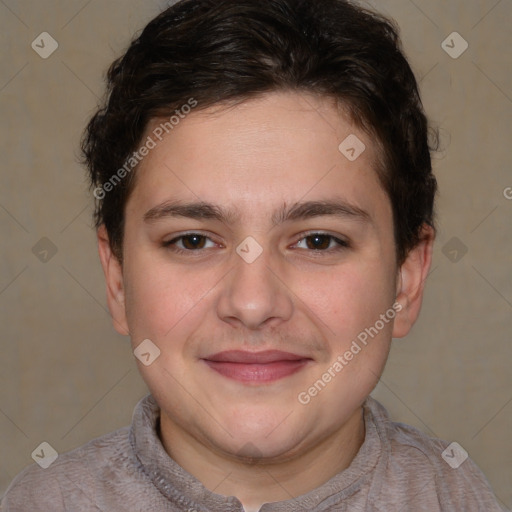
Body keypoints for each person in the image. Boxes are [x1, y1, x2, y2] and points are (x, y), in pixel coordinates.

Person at [1, 0, 505, 510]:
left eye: (318, 241)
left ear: (407, 278)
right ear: (117, 278)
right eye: (193, 240)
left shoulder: (461, 497)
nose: (253, 303)